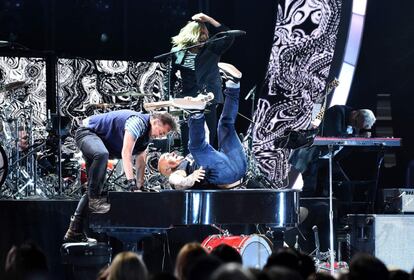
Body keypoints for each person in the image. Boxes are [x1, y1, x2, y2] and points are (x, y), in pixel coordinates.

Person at [63, 109, 177, 243]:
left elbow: (141, 161)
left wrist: (140, 186)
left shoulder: (146, 136)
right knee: (101, 156)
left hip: (101, 143)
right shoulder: (138, 122)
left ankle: (74, 230)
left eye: (163, 135)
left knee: (95, 185)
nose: (160, 136)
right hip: (87, 133)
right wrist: (131, 183)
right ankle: (94, 200)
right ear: (156, 121)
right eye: (161, 132)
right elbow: (126, 153)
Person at [158, 68, 246, 190]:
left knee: (225, 125)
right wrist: (190, 178)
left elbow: (206, 135)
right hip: (227, 175)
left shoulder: (192, 157)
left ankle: (233, 84)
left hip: (238, 165)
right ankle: (196, 113)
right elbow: (175, 181)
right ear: (167, 169)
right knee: (195, 147)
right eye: (167, 157)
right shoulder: (179, 170)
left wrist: (197, 106)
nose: (172, 153)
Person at [170, 13, 236, 155]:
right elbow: (169, 77)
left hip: (208, 96)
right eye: (201, 33)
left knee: (208, 134)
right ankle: (188, 166)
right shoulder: (177, 52)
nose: (204, 36)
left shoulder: (211, 48)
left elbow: (229, 37)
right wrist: (169, 97)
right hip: (187, 97)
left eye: (205, 33)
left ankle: (207, 167)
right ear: (191, 35)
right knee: (187, 136)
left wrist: (209, 20)